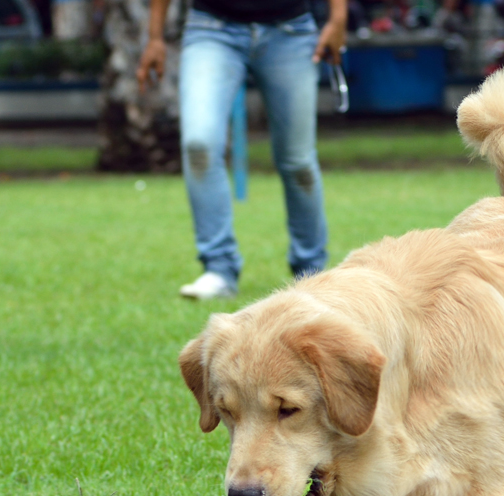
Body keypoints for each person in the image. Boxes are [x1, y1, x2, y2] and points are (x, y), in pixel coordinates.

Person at [137, 0, 347, 299]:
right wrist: (155, 37)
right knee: (199, 147)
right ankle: (219, 268)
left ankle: (311, 271)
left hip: (291, 30)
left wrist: (337, 19)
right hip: (211, 29)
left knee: (298, 161)